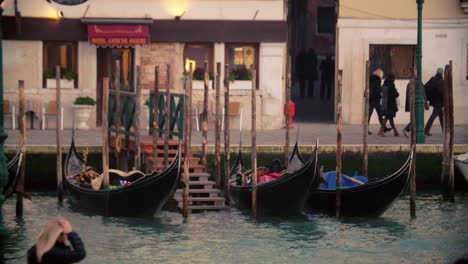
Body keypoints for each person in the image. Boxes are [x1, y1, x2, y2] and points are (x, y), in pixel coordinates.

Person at [402, 72, 429, 137]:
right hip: (418, 103)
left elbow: (408, 96)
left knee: (414, 117)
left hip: (412, 103)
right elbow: (423, 94)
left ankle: (409, 130)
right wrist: (426, 104)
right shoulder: (419, 83)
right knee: (417, 118)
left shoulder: (409, 83)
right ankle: (407, 129)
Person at [424, 67, 445, 136]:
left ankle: (444, 130)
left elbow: (425, 86)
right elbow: (442, 92)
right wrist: (444, 100)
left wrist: (429, 97)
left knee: (441, 116)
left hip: (433, 100)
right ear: (442, 73)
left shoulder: (432, 79)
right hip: (439, 101)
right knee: (434, 115)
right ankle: (426, 130)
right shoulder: (441, 81)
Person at [368, 68, 385, 135]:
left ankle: (366, 129)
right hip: (376, 99)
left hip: (370, 99)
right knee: (380, 114)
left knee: (369, 115)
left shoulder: (370, 79)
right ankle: (383, 128)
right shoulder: (378, 80)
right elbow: (378, 89)